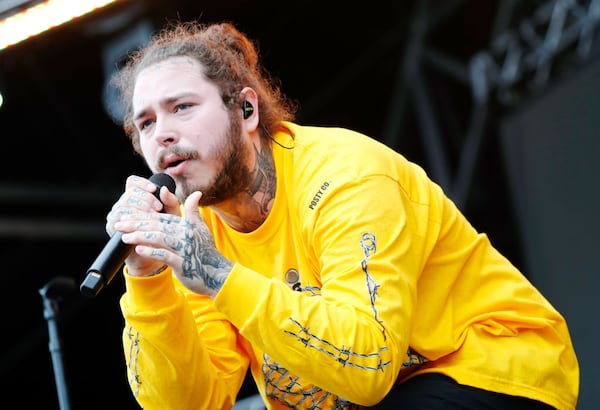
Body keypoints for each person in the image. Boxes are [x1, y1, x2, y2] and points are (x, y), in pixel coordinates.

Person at [106, 20, 579, 410]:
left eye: (182, 108)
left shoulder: (345, 175)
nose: (162, 133)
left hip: (492, 372)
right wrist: (148, 281)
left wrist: (219, 276)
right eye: (146, 123)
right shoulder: (196, 234)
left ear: (246, 110)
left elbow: (368, 364)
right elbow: (188, 404)